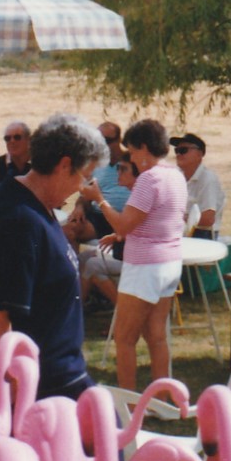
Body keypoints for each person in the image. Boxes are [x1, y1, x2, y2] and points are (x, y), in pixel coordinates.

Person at [0, 114, 108, 402]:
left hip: (57, 379)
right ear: (64, 165)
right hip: (36, 391)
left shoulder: (36, 206)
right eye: (84, 177)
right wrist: (16, 393)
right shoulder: (17, 219)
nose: (82, 187)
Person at [79, 118, 187, 389]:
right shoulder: (175, 175)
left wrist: (99, 199)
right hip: (170, 263)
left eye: (134, 150)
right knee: (156, 336)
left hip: (145, 266)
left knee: (124, 337)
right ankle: (160, 403)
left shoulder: (148, 179)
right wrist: (120, 235)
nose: (133, 157)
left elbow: (124, 224)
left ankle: (127, 404)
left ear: (144, 148)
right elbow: (158, 220)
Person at [78, 157, 139, 308]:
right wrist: (117, 236)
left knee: (92, 265)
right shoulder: (134, 194)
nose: (118, 172)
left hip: (139, 261)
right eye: (118, 168)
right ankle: (86, 303)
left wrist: (99, 198)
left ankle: (123, 310)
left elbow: (127, 227)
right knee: (83, 258)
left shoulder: (138, 197)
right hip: (126, 251)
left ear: (136, 175)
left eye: (123, 169)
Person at [171, 132, 225, 238]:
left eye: (183, 150)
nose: (178, 154)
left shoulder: (208, 179)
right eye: (176, 150)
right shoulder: (175, 176)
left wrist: (178, 218)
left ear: (199, 154)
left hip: (202, 235)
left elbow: (208, 219)